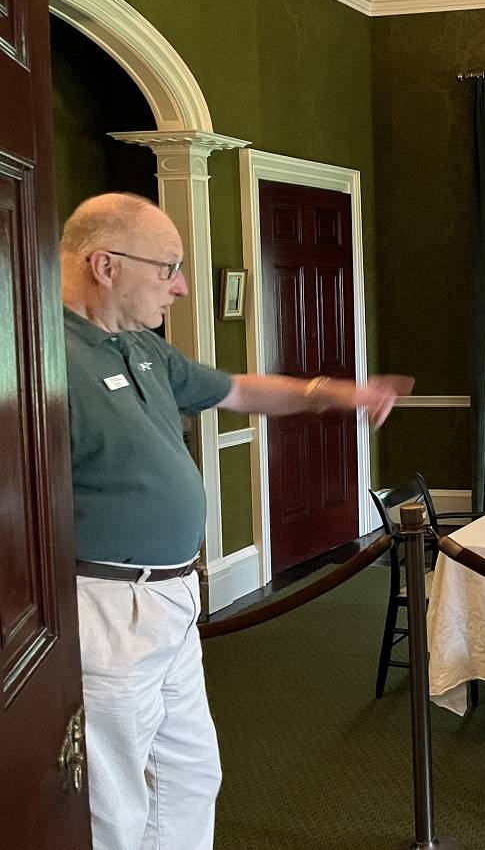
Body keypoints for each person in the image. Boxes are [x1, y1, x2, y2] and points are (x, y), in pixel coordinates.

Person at [61, 193, 409, 850]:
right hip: (106, 605)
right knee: (112, 801)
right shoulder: (44, 358)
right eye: (169, 267)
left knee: (189, 773)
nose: (182, 286)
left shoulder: (142, 349)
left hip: (172, 597)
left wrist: (334, 393)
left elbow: (239, 391)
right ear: (105, 265)